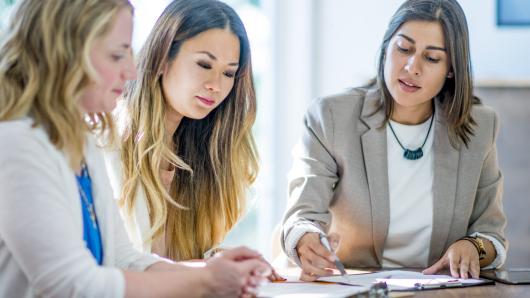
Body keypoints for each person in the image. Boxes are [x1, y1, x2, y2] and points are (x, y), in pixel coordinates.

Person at [0, 0, 270, 297]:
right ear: (62, 54)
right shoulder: (15, 144)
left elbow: (123, 258)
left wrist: (219, 273)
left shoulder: (81, 141)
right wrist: (206, 281)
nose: (132, 70)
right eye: (117, 55)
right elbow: (71, 284)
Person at [281, 0, 507, 281]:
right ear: (386, 47)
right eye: (404, 48)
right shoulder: (330, 116)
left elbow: (491, 235)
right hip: (352, 284)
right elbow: (300, 217)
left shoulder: (480, 126)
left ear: (451, 69)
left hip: (439, 288)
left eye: (432, 58)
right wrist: (305, 239)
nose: (412, 67)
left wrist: (473, 246)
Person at [104, 0, 282, 280]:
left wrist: (217, 258)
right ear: (163, 58)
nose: (216, 85)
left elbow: (178, 261)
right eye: (204, 64)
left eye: (228, 73)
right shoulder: (110, 143)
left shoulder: (203, 154)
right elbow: (117, 265)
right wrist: (206, 269)